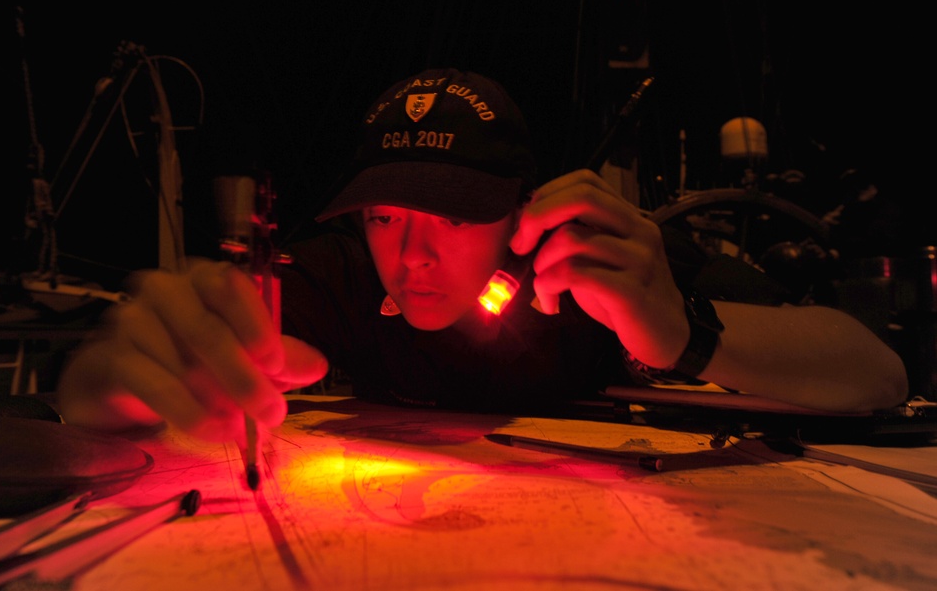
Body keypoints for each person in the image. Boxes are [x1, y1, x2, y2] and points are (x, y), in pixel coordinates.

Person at [56, 68, 909, 443]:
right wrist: (114, 374)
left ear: (519, 212)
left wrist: (684, 335)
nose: (411, 255)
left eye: (452, 215)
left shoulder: (603, 272)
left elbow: (878, 373)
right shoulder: (346, 271)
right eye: (387, 216)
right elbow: (146, 366)